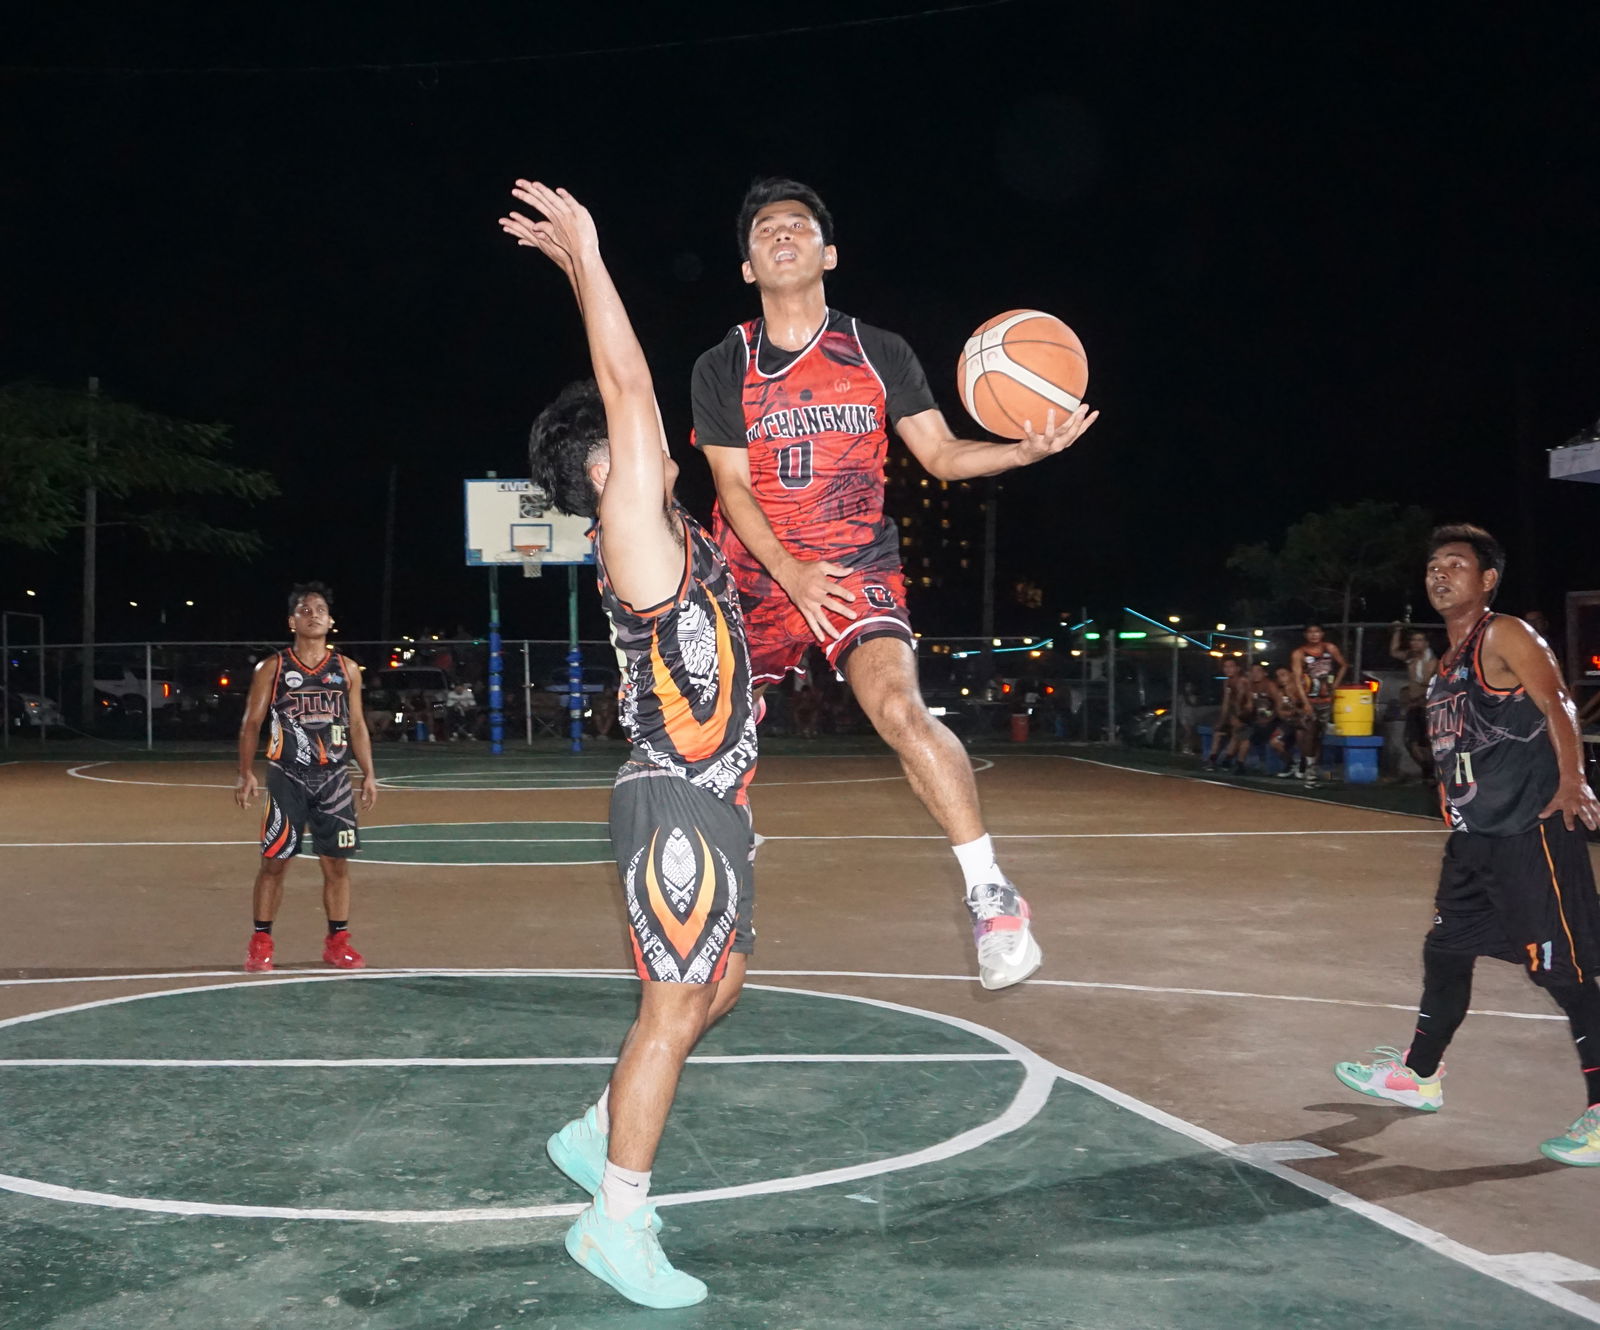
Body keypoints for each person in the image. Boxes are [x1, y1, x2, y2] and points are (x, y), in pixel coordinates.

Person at [691, 179, 1096, 989]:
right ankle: (725, 855)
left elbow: (943, 457)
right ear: (746, 266)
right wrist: (792, 574)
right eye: (766, 229)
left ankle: (993, 894)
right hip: (754, 573)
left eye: (798, 226)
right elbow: (733, 490)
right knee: (705, 741)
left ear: (827, 254)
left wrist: (1021, 452)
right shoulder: (720, 364)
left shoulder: (879, 351)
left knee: (900, 707)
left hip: (854, 565)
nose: (782, 235)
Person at [501, 181, 758, 1308]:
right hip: (675, 801)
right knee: (670, 1008)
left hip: (716, 798)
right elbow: (628, 382)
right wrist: (587, 261)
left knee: (724, 984)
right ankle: (615, 1219)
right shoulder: (631, 527)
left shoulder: (674, 531)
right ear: (599, 463)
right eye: (630, 440)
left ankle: (592, 1128)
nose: (652, 438)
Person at [1334, 525, 1600, 1165]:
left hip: (1529, 829)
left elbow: (1558, 701)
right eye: (1433, 564)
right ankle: (1419, 1074)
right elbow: (1461, 748)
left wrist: (1573, 779)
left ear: (1487, 581)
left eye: (1457, 563)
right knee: (1447, 949)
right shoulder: (1445, 665)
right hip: (1475, 839)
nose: (1440, 572)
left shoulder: (1503, 634)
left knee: (1567, 971)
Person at [234, 583, 377, 972]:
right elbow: (252, 722)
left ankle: (338, 941)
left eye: (320, 609)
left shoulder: (346, 669)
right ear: (291, 621)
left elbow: (359, 723)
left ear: (331, 621)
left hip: (334, 779)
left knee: (336, 865)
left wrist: (368, 773)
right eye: (304, 609)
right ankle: (261, 941)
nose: (313, 613)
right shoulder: (274, 667)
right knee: (275, 862)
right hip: (288, 775)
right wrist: (246, 772)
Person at [1288, 623, 1348, 788]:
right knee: (1310, 733)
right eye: (1310, 632)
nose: (1314, 635)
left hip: (1326, 698)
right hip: (1310, 698)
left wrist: (1335, 684)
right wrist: (1305, 702)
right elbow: (1298, 679)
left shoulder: (1329, 648)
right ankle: (1308, 770)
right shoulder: (1299, 653)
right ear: (1305, 635)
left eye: (1317, 632)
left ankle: (1313, 768)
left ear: (1322, 634)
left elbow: (1343, 665)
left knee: (1320, 736)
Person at [1389, 622, 1438, 779]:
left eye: (1419, 640)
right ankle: (1427, 771)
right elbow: (1394, 652)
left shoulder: (1432, 662)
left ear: (1426, 643)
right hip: (1414, 706)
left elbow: (1430, 685)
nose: (1415, 643)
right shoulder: (1411, 657)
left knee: (1426, 743)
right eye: (1413, 640)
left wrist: (1417, 700)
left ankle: (1431, 773)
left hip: (1426, 706)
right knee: (1411, 741)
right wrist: (1397, 631)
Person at [1201, 657, 1246, 771]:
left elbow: (1241, 704)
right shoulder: (1226, 682)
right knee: (1218, 732)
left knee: (1236, 731)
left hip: (1245, 717)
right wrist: (1221, 721)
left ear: (1237, 668)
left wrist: (1236, 718)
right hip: (1233, 715)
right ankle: (1212, 760)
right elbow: (1225, 703)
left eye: (1231, 666)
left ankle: (1228, 760)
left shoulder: (1242, 682)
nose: (1228, 669)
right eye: (1226, 667)